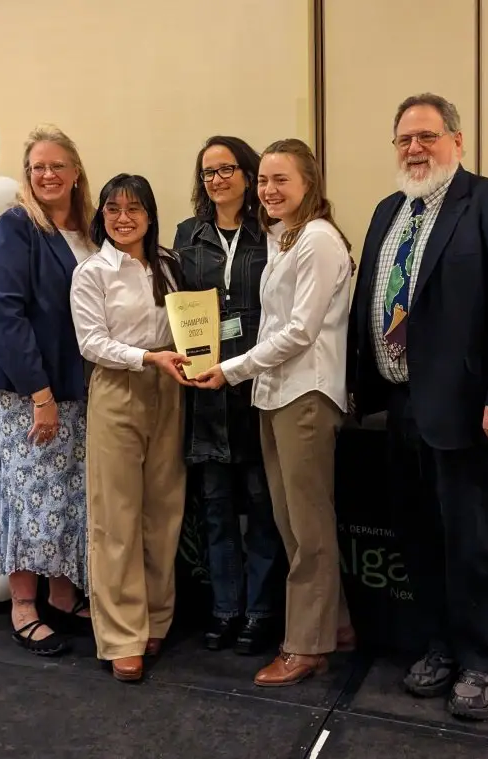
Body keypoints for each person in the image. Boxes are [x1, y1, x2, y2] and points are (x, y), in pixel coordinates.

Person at [346, 93, 488, 719]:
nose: (416, 149)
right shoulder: (388, 212)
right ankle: (439, 645)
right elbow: (372, 304)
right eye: (405, 139)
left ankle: (484, 660)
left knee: (479, 543)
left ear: (458, 142)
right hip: (403, 409)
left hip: (472, 412)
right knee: (419, 540)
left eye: (428, 136)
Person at [193, 138, 354, 687]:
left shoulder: (317, 240)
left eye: (281, 180)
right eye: (265, 180)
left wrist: (234, 368)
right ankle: (336, 625)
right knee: (293, 525)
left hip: (305, 396)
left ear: (309, 183)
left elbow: (300, 331)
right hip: (275, 394)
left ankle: (305, 646)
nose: (269, 190)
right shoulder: (284, 240)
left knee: (306, 529)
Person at [0, 124, 96, 656]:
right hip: (32, 392)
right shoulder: (16, 227)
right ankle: (23, 605)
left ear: (76, 173)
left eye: (57, 166)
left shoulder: (90, 232)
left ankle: (63, 595)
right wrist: (40, 394)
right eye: (37, 167)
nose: (47, 175)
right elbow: (4, 316)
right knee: (28, 497)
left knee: (69, 497)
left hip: (78, 390)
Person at [70, 173, 190, 683]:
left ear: (149, 213)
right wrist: (147, 357)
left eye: (134, 208)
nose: (123, 218)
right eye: (113, 208)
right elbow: (92, 343)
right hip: (118, 389)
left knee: (163, 511)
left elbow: (189, 324)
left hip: (170, 388)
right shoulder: (92, 272)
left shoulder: (167, 265)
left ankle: (156, 619)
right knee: (115, 516)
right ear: (101, 214)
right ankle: (121, 635)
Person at [173, 136, 284, 655]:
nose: (217, 180)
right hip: (207, 392)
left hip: (261, 385)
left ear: (248, 173)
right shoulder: (186, 237)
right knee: (217, 508)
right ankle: (224, 609)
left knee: (263, 507)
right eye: (208, 173)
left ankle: (260, 612)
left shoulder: (277, 233)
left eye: (227, 169)